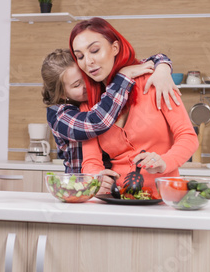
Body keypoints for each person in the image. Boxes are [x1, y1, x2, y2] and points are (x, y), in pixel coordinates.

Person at [69, 17, 198, 195]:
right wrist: (95, 177)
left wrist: (165, 162)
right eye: (80, 56)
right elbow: (91, 159)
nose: (88, 61)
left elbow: (188, 137)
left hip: (165, 197)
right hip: (115, 199)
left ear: (115, 48)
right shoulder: (89, 106)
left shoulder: (155, 82)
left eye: (95, 50)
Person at [42, 49, 180, 173]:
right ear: (61, 94)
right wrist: (124, 75)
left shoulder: (99, 97)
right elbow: (97, 122)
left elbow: (152, 60)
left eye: (85, 77)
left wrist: (162, 67)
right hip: (81, 185)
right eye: (77, 85)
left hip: (110, 182)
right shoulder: (58, 115)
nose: (86, 85)